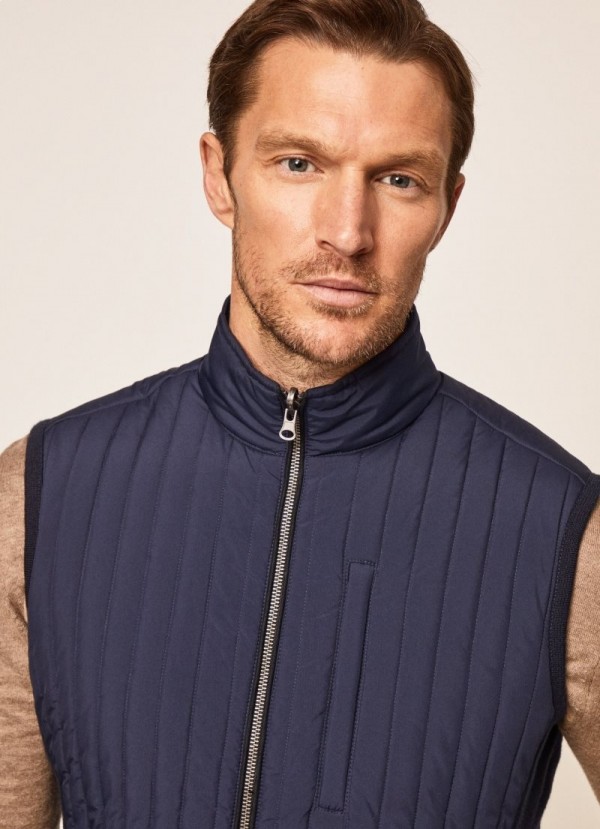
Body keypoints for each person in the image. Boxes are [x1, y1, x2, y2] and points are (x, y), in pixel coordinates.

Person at [1, 0, 599, 826]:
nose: (347, 233)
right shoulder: (39, 498)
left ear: (447, 207)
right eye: (298, 163)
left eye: (399, 179)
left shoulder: (568, 533)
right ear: (219, 175)